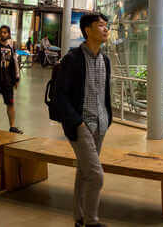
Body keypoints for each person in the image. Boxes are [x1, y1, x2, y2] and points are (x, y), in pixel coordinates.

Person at [53, 14, 112, 227]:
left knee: (85, 171)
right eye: (101, 26)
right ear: (87, 30)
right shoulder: (73, 59)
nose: (106, 29)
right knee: (96, 175)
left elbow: (104, 93)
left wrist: (108, 117)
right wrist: (77, 123)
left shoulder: (105, 60)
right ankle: (92, 220)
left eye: (107, 26)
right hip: (81, 125)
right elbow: (60, 95)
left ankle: (79, 217)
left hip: (101, 124)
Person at [0, 25, 21, 134]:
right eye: (1, 32)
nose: (3, 34)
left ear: (9, 34)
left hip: (7, 81)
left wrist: (17, 78)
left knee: (10, 103)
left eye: (5, 32)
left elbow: (15, 63)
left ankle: (12, 127)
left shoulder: (12, 48)